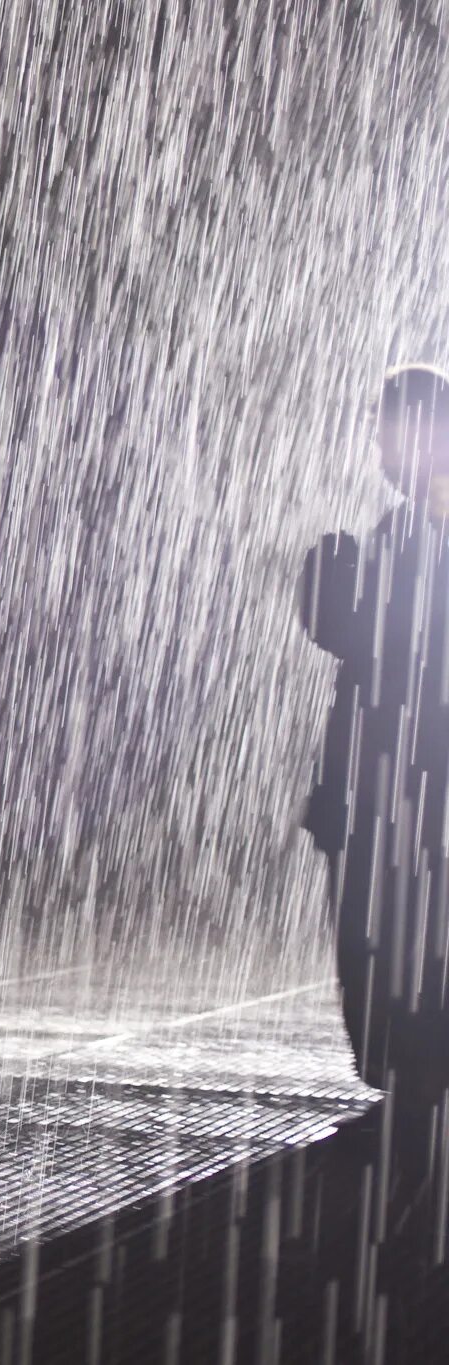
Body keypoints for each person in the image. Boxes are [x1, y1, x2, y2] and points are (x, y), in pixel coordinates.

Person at [299, 364, 449, 1134]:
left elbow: (391, 651)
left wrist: (333, 597)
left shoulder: (421, 529)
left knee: (386, 930)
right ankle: (410, 1066)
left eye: (386, 427)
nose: (376, 445)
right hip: (387, 781)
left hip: (402, 781)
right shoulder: (403, 527)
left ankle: (414, 1067)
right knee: (385, 931)